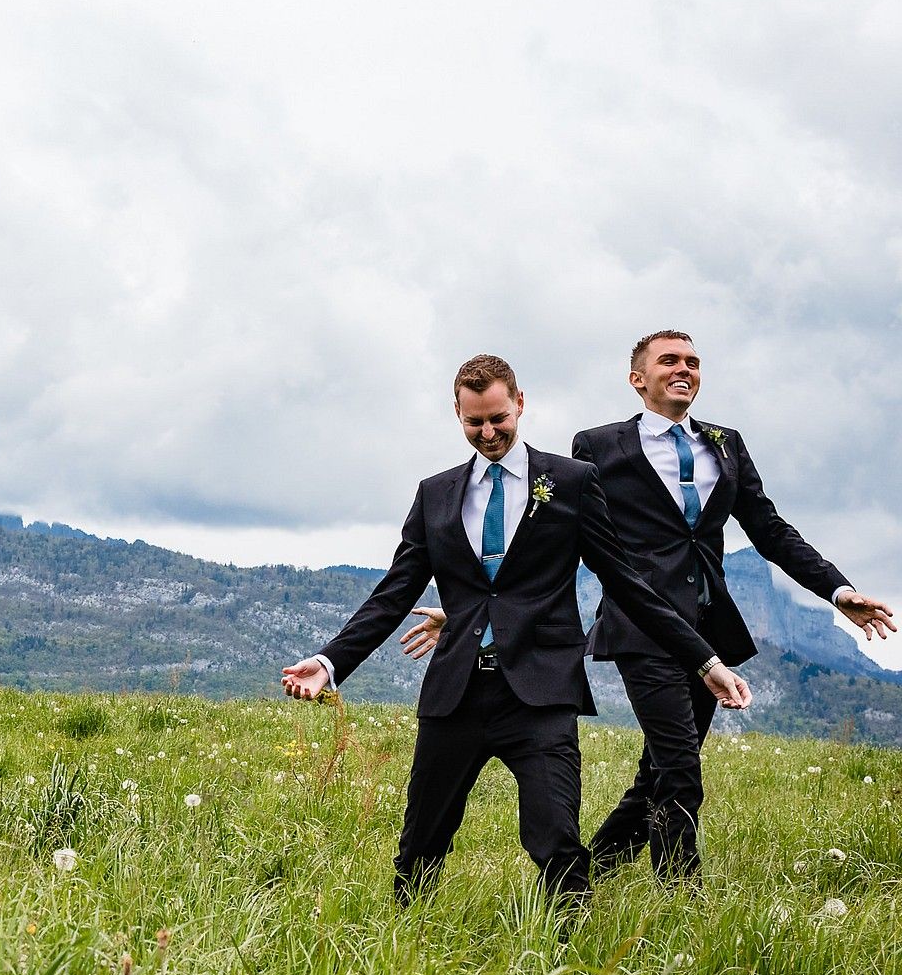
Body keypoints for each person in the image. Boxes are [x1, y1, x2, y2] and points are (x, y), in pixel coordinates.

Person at [282, 354, 750, 903]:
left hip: (540, 695)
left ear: (520, 404)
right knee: (421, 844)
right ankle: (403, 940)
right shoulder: (435, 493)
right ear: (456, 414)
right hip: (455, 695)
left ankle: (567, 968)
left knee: (557, 843)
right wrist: (332, 661)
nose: (488, 432)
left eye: (498, 418)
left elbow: (627, 583)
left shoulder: (572, 482)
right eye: (473, 422)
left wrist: (706, 661)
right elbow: (394, 593)